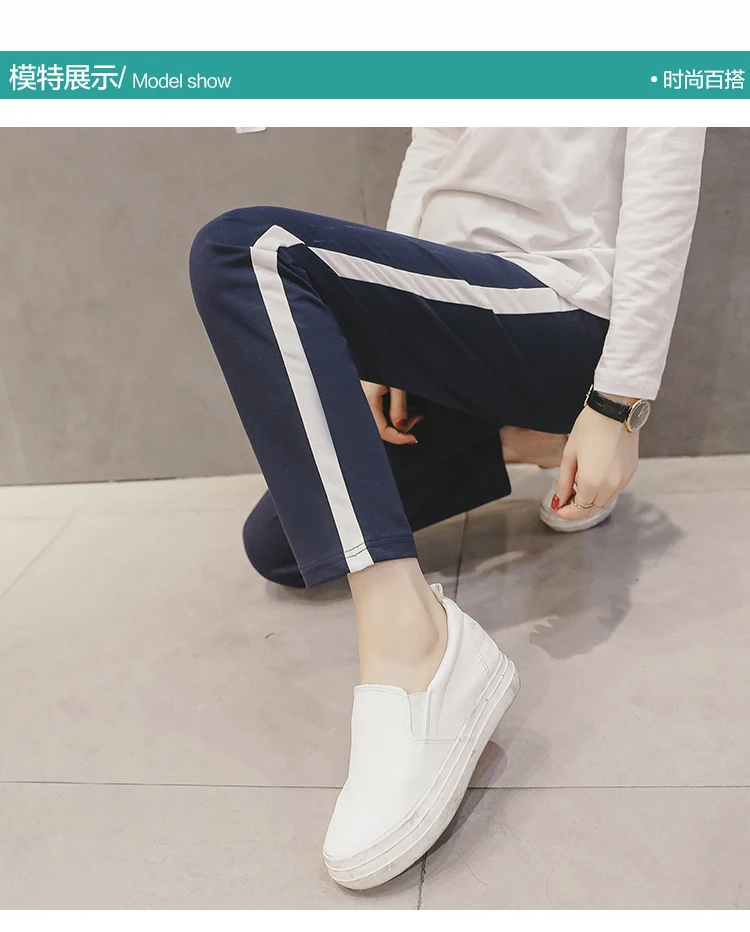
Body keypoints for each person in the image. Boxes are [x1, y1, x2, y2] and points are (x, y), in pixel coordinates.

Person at [189, 127, 705, 889]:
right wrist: (375, 344)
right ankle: (530, 443)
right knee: (284, 546)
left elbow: (665, 202)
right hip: (452, 307)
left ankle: (416, 645)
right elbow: (432, 159)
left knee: (245, 247)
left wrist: (618, 405)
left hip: (560, 309)